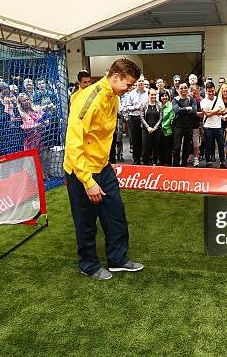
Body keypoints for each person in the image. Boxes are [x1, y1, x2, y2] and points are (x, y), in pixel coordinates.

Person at [64, 58, 144, 280]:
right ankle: (88, 264)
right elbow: (73, 144)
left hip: (103, 166)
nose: (129, 90)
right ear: (115, 77)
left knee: (115, 213)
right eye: (127, 85)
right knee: (86, 221)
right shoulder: (90, 99)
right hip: (81, 170)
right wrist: (88, 181)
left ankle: (118, 259)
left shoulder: (114, 97)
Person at [200, 82, 226, 168]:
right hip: (208, 127)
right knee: (208, 145)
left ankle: (222, 162)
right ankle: (208, 161)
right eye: (209, 91)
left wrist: (212, 112)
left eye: (212, 91)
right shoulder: (203, 101)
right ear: (206, 91)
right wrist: (217, 110)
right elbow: (207, 114)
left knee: (221, 145)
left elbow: (223, 111)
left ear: (214, 90)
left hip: (218, 126)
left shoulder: (219, 99)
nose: (211, 93)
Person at [172, 82, 197, 167]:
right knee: (177, 147)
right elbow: (176, 110)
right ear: (178, 89)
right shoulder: (175, 99)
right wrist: (186, 108)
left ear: (188, 89)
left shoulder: (191, 99)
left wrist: (182, 110)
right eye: (181, 88)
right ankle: (175, 164)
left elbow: (194, 111)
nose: (183, 90)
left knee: (187, 147)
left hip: (189, 126)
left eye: (185, 88)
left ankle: (184, 164)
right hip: (178, 126)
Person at [124, 77, 148, 164]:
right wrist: (135, 108)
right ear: (136, 83)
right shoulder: (131, 94)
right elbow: (127, 107)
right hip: (134, 118)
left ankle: (145, 159)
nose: (141, 83)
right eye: (139, 81)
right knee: (135, 140)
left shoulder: (148, 92)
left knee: (145, 140)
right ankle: (136, 159)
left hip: (145, 118)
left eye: (142, 81)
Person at [140, 89, 162, 165]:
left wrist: (155, 128)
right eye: (152, 95)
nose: (153, 96)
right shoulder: (144, 104)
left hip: (156, 130)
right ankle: (146, 164)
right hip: (146, 130)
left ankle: (155, 163)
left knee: (156, 148)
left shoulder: (159, 104)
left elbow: (161, 117)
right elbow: (142, 117)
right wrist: (148, 127)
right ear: (148, 95)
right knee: (146, 148)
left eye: (155, 95)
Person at [159, 90, 174, 166]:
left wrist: (163, 125)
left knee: (168, 147)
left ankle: (168, 162)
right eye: (162, 96)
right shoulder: (158, 105)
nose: (164, 97)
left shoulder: (171, 105)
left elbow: (171, 117)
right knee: (160, 146)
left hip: (167, 130)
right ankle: (161, 161)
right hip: (158, 130)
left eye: (166, 95)